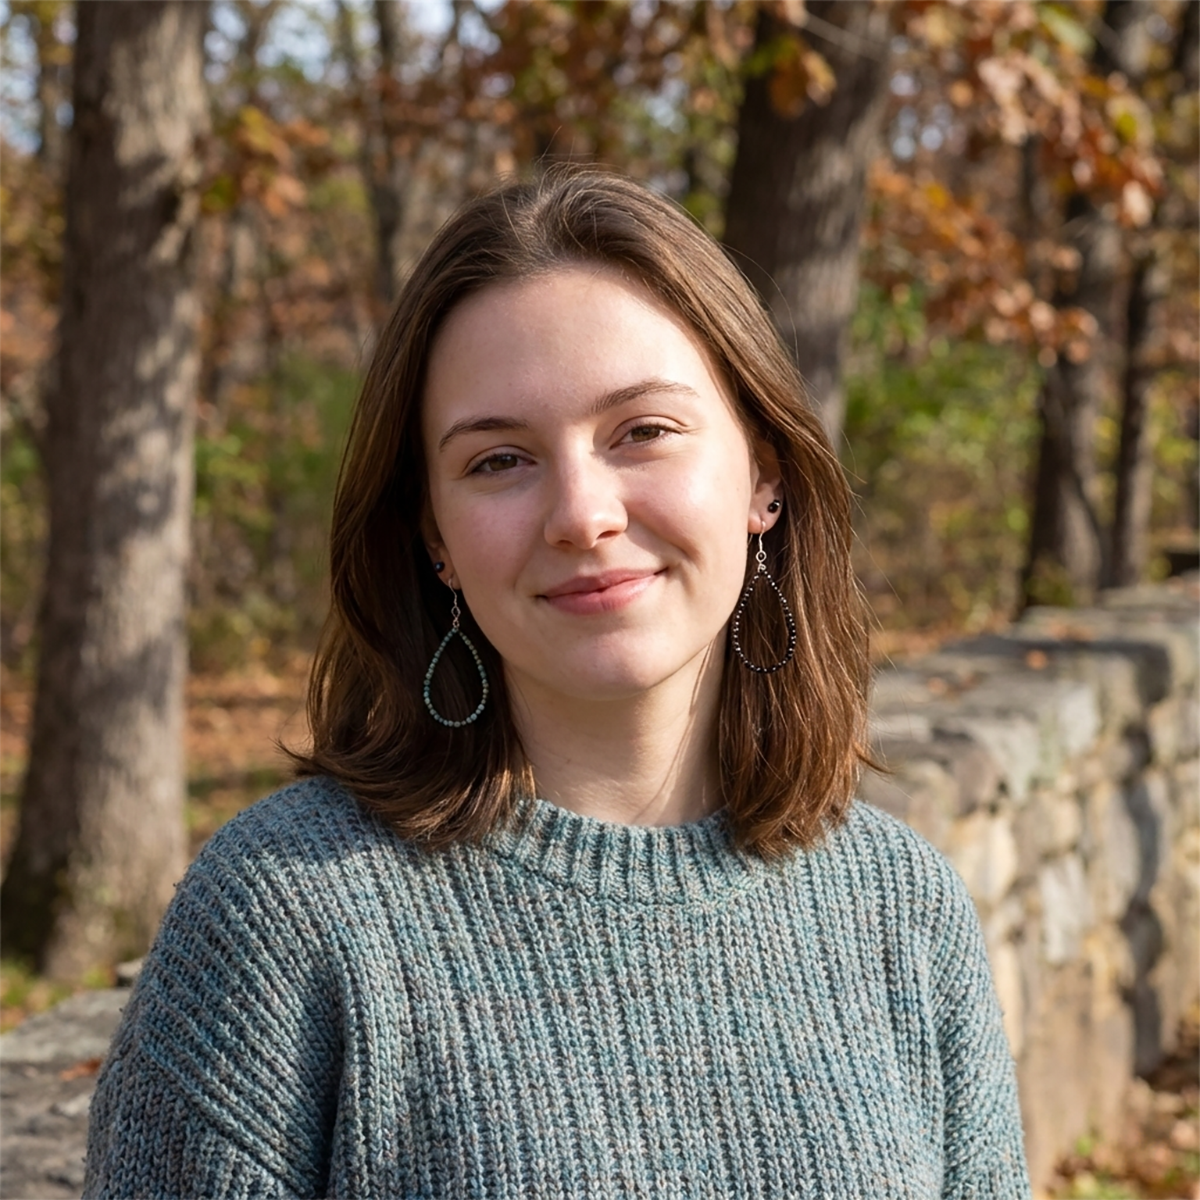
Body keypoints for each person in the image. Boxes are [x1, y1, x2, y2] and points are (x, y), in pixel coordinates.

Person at [84, 169, 1032, 1198]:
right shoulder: (287, 918)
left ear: (763, 473)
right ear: (435, 538)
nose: (582, 513)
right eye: (499, 460)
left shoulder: (900, 910)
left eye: (643, 432)